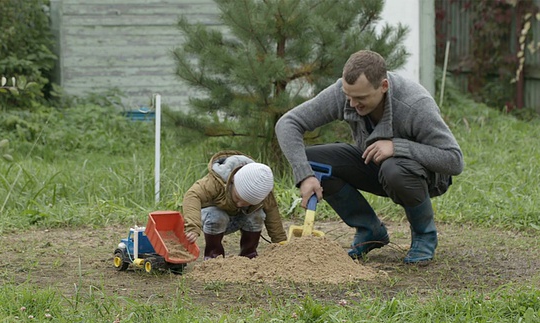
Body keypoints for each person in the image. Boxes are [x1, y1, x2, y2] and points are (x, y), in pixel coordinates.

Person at [275, 50, 464, 264]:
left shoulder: (414, 104)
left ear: (383, 86)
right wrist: (305, 175)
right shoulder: (347, 93)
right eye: (349, 96)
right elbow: (288, 123)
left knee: (394, 169)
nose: (353, 104)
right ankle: (370, 231)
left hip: (420, 176)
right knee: (311, 162)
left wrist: (397, 146)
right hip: (375, 165)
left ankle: (424, 235)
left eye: (361, 98)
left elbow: (454, 160)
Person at [183, 150, 287, 260]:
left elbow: (272, 212)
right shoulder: (215, 182)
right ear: (233, 181)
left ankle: (249, 255)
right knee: (217, 216)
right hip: (212, 219)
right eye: (238, 198)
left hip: (239, 217)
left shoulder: (262, 190)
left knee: (257, 215)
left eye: (247, 203)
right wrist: (193, 227)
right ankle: (213, 257)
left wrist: (280, 242)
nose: (240, 204)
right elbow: (192, 196)